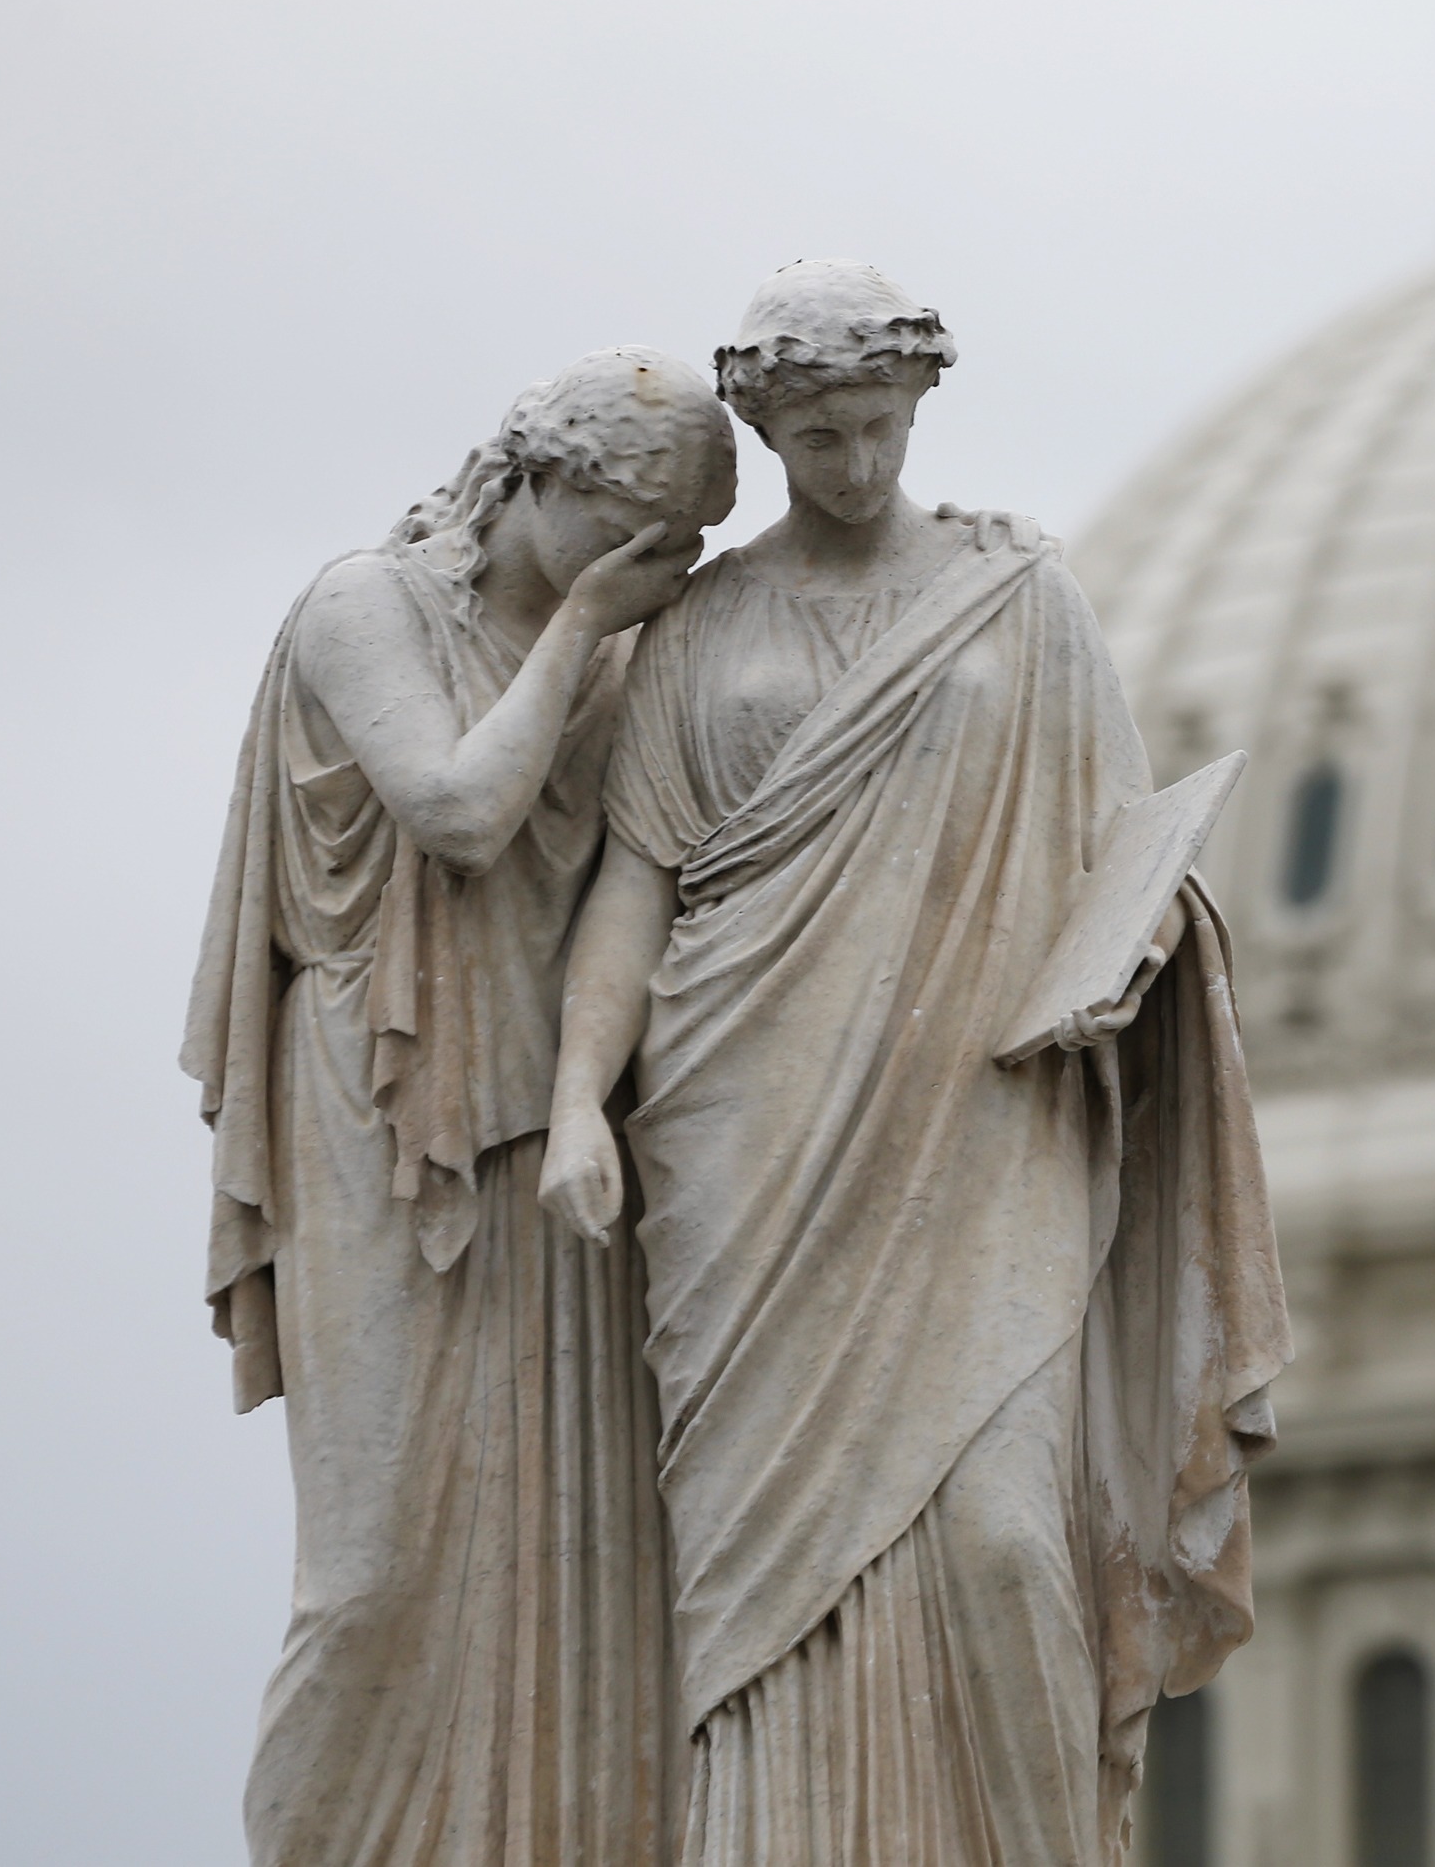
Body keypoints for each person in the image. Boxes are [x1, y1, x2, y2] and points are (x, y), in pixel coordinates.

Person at [541, 261, 1289, 1867]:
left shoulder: (1021, 601)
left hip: (984, 1117)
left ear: (920, 409)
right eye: (820, 436)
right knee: (754, 1578)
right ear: (769, 429)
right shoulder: (706, 626)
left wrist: (1132, 962)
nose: (858, 463)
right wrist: (570, 1111)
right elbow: (635, 884)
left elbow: (1120, 856)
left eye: (878, 426)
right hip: (745, 1140)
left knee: (1008, 1537)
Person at [183, 347, 735, 1866]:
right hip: (379, 1093)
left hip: (561, 1127)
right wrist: (582, 629)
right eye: (637, 526)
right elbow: (460, 810)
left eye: (686, 543)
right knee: (369, 1572)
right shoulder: (369, 604)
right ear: (543, 479)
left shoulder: (628, 643)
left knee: (577, 1563)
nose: (658, 566)